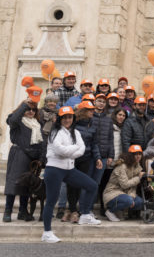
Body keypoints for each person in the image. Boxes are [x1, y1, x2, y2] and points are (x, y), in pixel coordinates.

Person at [42, 106, 100, 243]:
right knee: (51, 201)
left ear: (73, 118)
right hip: (54, 169)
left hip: (69, 169)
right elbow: (62, 151)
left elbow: (82, 149)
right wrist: (74, 149)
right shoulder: (54, 133)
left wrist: (71, 150)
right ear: (60, 119)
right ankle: (47, 232)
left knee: (92, 185)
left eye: (70, 117)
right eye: (65, 117)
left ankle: (85, 215)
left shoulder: (75, 132)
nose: (68, 120)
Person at [3, 94, 44, 222]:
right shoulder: (17, 121)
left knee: (27, 185)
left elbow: (43, 142)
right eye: (28, 109)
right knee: (14, 182)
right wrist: (25, 105)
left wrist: (42, 159)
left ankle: (22, 211)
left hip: (33, 158)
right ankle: (8, 210)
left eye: (33, 109)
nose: (31, 111)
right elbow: (12, 121)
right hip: (19, 154)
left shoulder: (38, 124)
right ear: (23, 108)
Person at [66, 101, 101, 222]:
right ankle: (71, 209)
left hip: (86, 159)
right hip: (72, 158)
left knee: (81, 184)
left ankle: (79, 210)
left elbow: (94, 143)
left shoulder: (93, 125)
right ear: (82, 111)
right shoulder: (72, 123)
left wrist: (98, 158)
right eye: (89, 110)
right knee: (71, 185)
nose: (92, 111)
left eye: (93, 110)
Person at [103, 145, 145, 222]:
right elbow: (125, 184)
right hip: (112, 194)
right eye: (135, 154)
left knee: (140, 203)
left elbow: (133, 187)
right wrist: (138, 178)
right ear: (130, 155)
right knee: (128, 201)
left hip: (124, 194)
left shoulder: (138, 167)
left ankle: (121, 211)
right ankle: (110, 211)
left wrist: (131, 197)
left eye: (140, 154)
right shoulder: (122, 166)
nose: (138, 156)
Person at [91, 94, 114, 215]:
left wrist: (111, 155)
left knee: (101, 183)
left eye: (103, 102)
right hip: (91, 156)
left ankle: (102, 207)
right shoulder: (90, 117)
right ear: (94, 102)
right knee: (91, 182)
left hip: (104, 155)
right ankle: (88, 207)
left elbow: (111, 138)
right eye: (99, 101)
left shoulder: (108, 119)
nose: (101, 103)